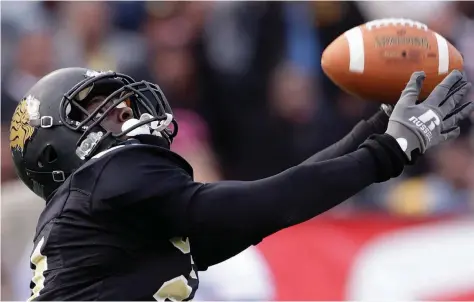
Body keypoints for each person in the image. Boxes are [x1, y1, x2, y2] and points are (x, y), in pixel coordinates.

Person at [9, 67, 471, 301]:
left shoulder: (110, 211)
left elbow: (272, 202)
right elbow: (266, 203)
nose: (125, 110)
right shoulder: (109, 177)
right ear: (54, 148)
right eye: (97, 107)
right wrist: (391, 149)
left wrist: (375, 128)